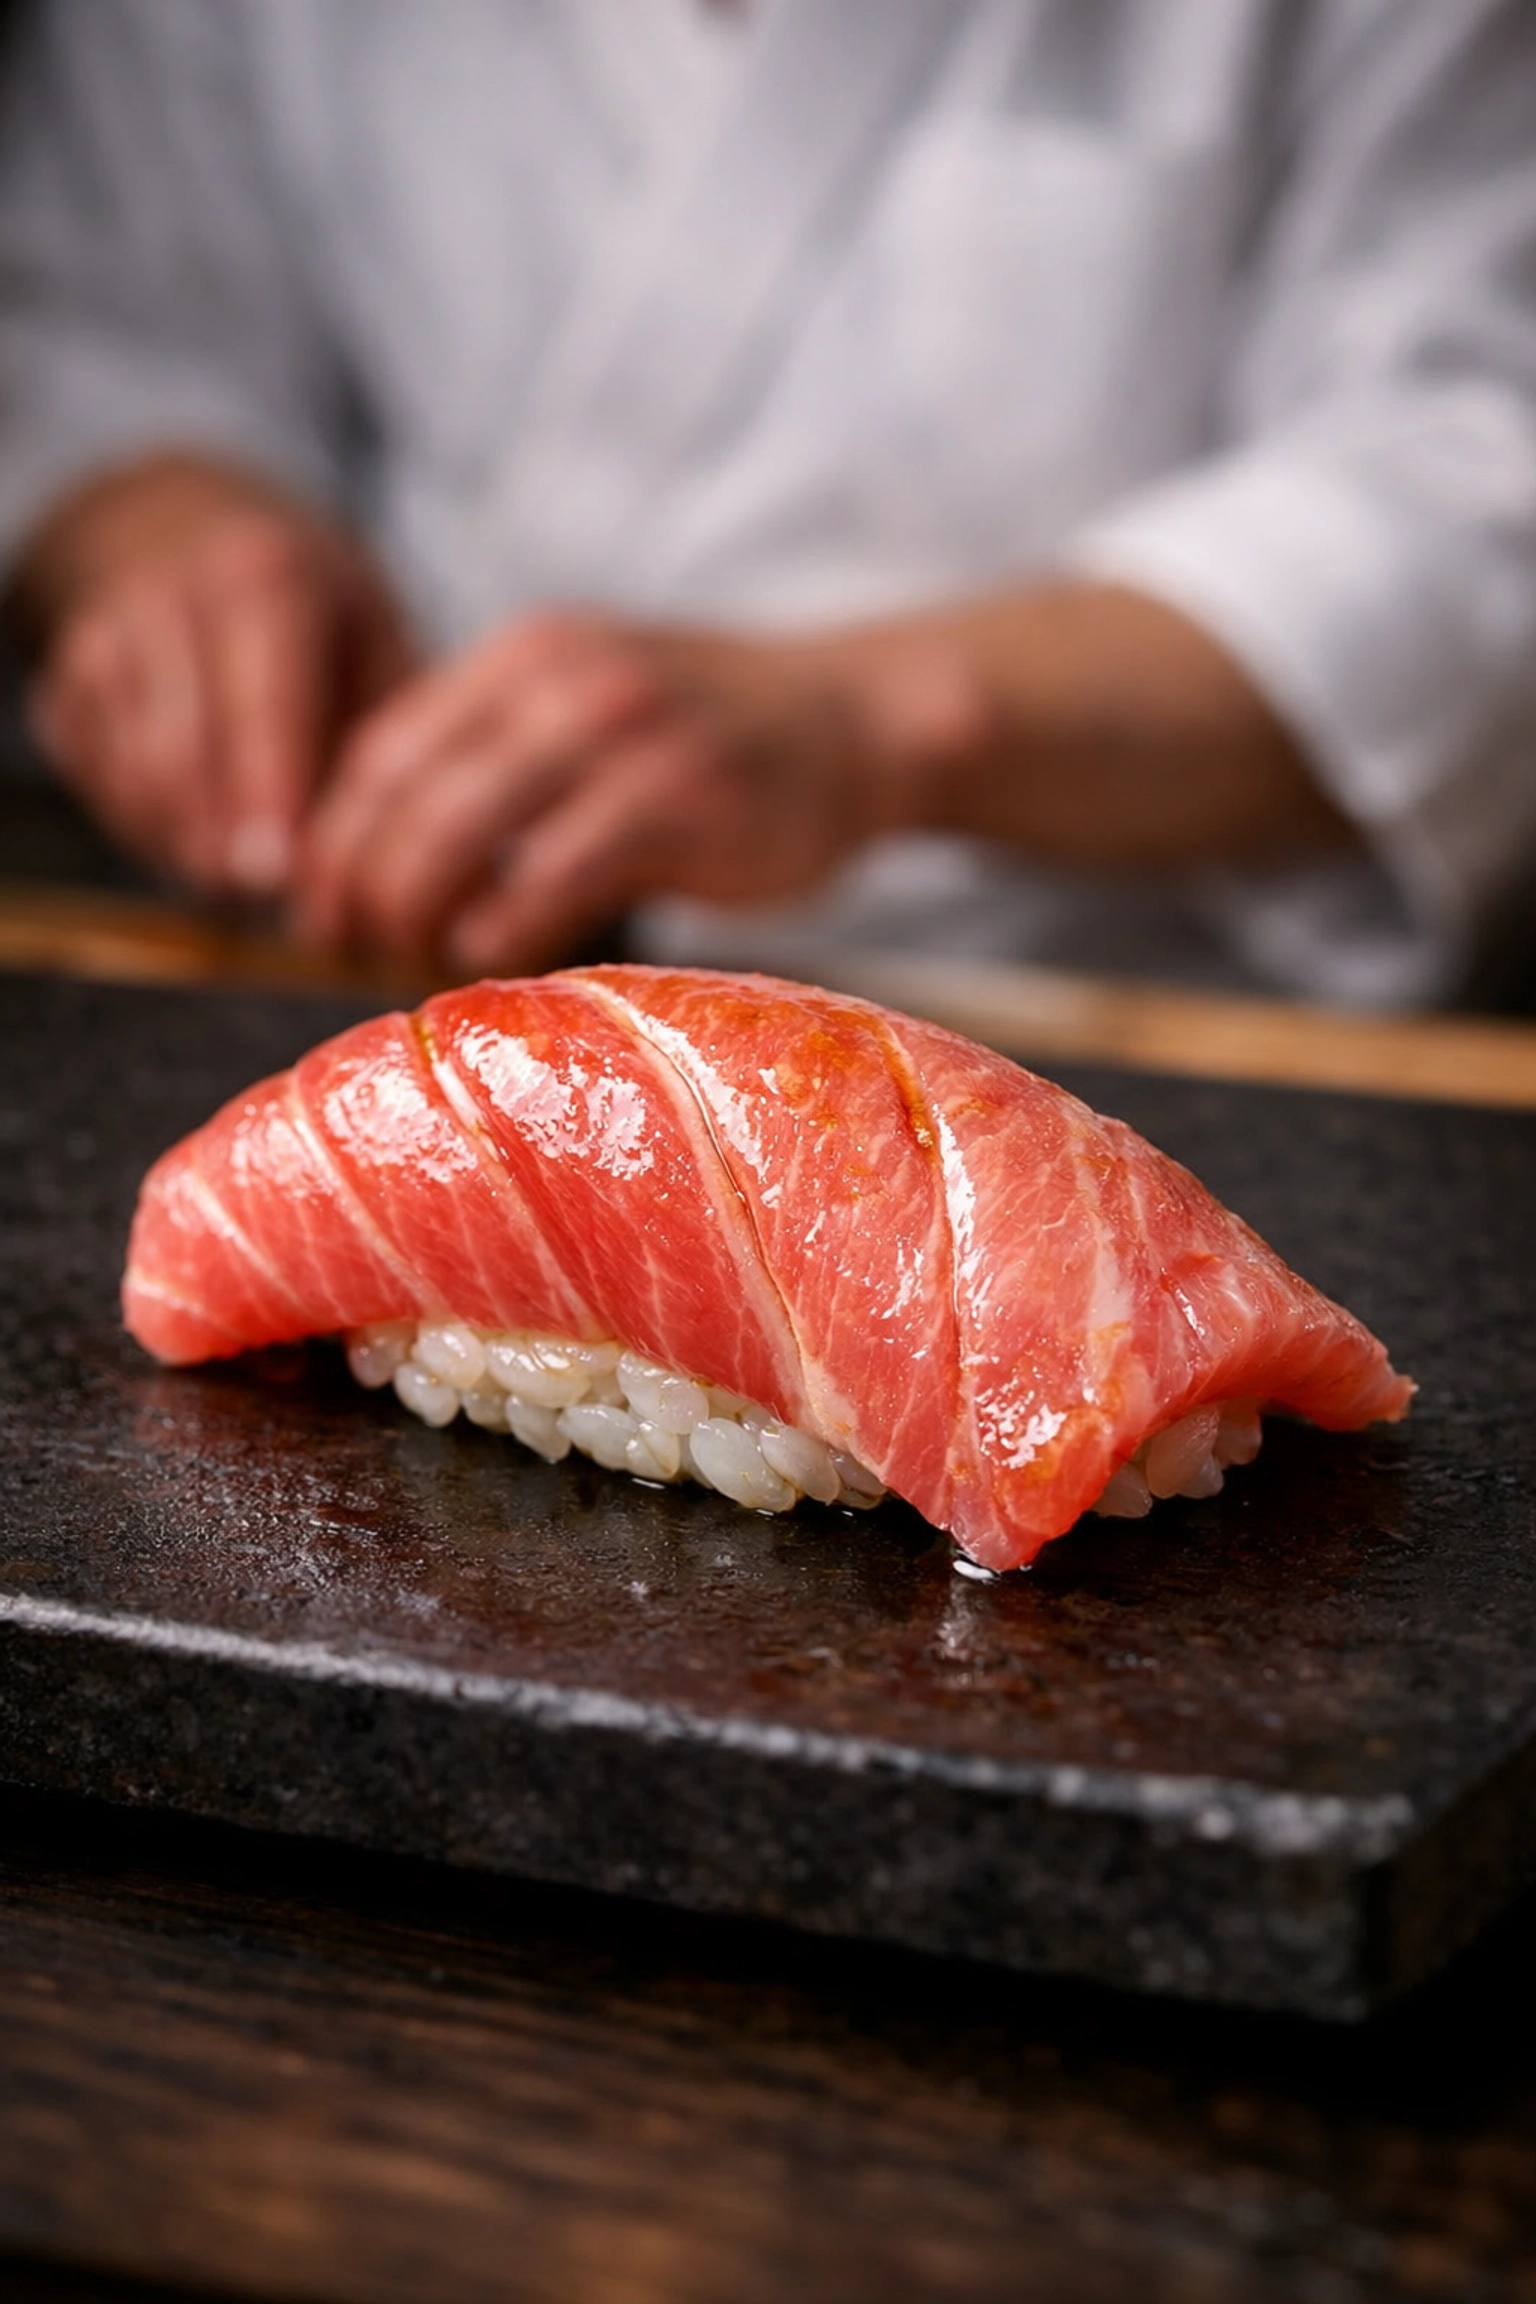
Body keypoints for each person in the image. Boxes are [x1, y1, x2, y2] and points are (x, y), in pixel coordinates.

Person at [1, 0, 1534, 1005]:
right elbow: (112, 320)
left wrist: (865, 723)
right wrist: (166, 533)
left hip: (1093, 1004)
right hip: (369, 967)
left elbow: (1477, 483)